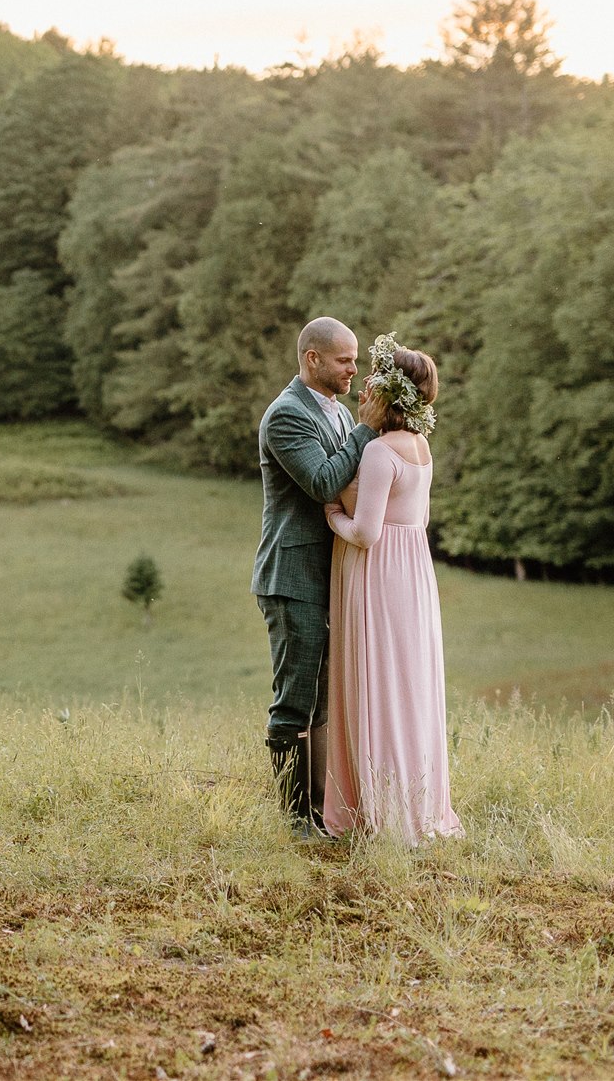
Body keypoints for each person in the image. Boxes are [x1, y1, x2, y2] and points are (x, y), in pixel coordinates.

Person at [321, 336, 462, 844]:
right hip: (413, 576)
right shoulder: (422, 449)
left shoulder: (381, 452)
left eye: (375, 382)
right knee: (408, 686)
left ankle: (380, 809)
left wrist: (333, 514)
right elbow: (417, 519)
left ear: (391, 393)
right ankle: (415, 800)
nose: (366, 390)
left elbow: (366, 532)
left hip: (376, 575)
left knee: (376, 682)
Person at [252, 317, 385, 838]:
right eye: (345, 360)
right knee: (295, 700)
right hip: (293, 576)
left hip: (327, 575)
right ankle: (294, 821)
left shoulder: (331, 410)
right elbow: (325, 481)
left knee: (324, 701)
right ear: (312, 359)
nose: (355, 369)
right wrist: (367, 429)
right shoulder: (286, 416)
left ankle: (322, 812)